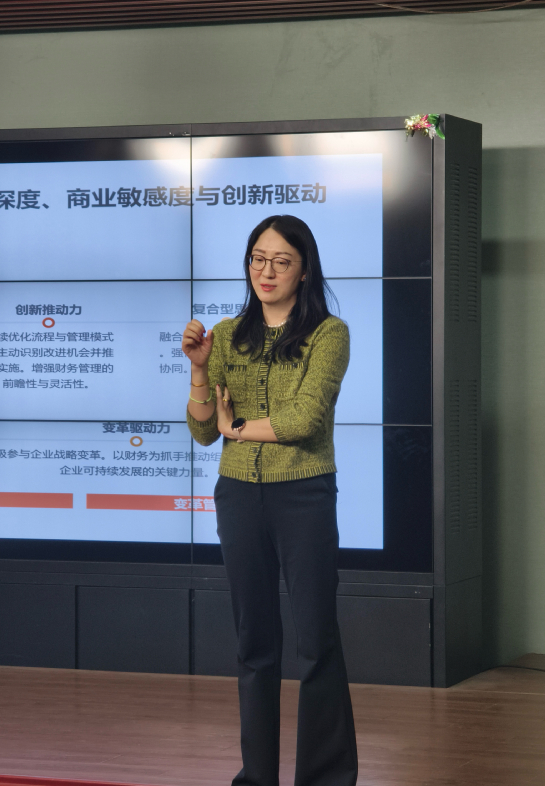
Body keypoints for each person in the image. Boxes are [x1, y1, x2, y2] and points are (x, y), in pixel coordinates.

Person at [183, 214, 358, 786]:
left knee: (315, 640)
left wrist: (236, 428)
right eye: (258, 258)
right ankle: (256, 778)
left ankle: (325, 778)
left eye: (281, 262)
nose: (267, 271)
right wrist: (200, 371)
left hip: (303, 494)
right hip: (238, 496)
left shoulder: (328, 333)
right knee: (253, 644)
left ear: (304, 271)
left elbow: (304, 420)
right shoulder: (228, 333)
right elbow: (203, 431)